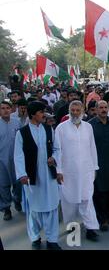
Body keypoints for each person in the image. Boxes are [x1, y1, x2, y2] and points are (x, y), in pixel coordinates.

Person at [14, 101, 62, 250]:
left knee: (52, 206)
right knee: (34, 208)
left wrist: (54, 158)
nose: (44, 115)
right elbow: (18, 155)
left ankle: (52, 239)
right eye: (41, 112)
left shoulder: (49, 129)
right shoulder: (22, 133)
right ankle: (35, 238)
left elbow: (57, 148)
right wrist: (22, 174)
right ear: (33, 114)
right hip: (32, 177)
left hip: (49, 175)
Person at [54, 100, 100, 241]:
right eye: (72, 110)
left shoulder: (88, 127)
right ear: (69, 111)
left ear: (82, 111)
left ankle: (91, 228)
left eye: (77, 110)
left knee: (87, 200)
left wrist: (95, 167)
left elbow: (92, 148)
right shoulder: (61, 128)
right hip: (68, 172)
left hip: (86, 170)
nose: (74, 113)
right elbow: (57, 151)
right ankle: (72, 228)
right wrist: (58, 170)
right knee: (69, 201)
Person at [89, 101, 109, 232]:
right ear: (96, 110)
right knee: (99, 192)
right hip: (96, 163)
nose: (103, 110)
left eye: (105, 107)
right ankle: (102, 220)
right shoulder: (90, 125)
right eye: (100, 108)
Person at [0, 101, 22, 221]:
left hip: (16, 160)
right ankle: (6, 208)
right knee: (3, 186)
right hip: (1, 161)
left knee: (18, 184)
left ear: (11, 109)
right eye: (2, 108)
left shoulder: (16, 122)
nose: (5, 110)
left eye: (7, 108)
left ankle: (17, 200)